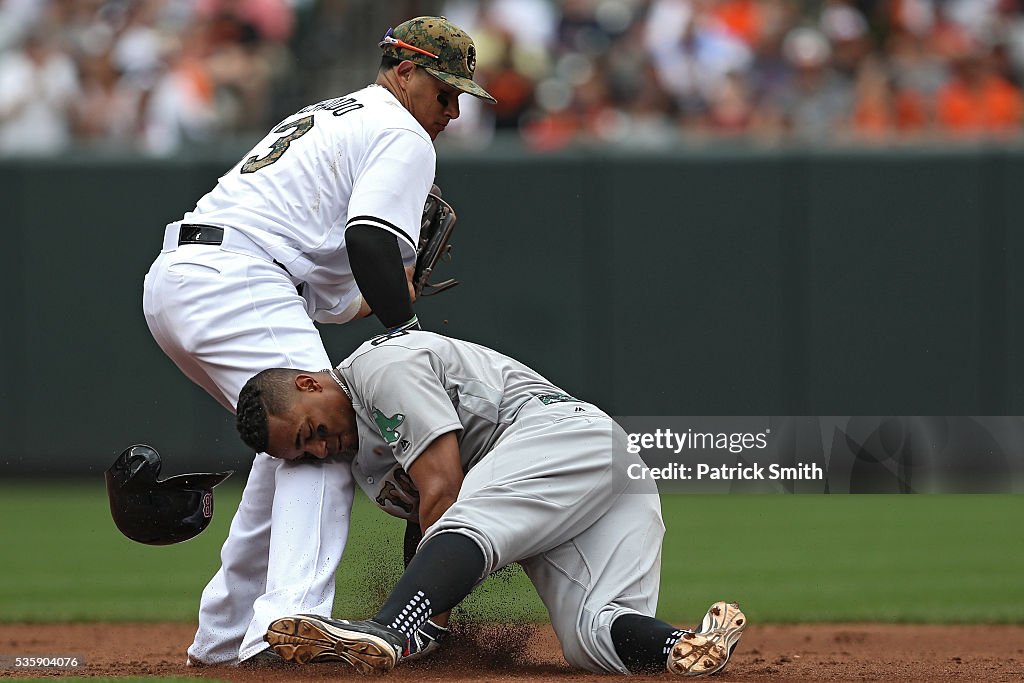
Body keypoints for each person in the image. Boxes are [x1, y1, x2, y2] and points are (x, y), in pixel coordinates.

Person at [141, 16, 496, 666]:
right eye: (443, 89)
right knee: (323, 437)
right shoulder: (400, 131)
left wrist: (385, 292)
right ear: (404, 69)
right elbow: (367, 240)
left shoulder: (342, 115)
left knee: (288, 447)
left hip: (190, 279)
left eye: (460, 97)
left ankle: (225, 637)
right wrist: (405, 337)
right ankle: (284, 634)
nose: (450, 108)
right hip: (235, 277)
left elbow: (331, 289)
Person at [234, 330, 747, 676]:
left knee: (467, 522)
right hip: (592, 476)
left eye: (312, 431)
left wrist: (415, 619)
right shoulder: (366, 453)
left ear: (309, 383)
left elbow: (445, 492)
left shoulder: (377, 368)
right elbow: (428, 526)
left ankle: (393, 629)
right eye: (305, 452)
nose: (322, 449)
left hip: (560, 436)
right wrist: (434, 609)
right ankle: (685, 645)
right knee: (590, 637)